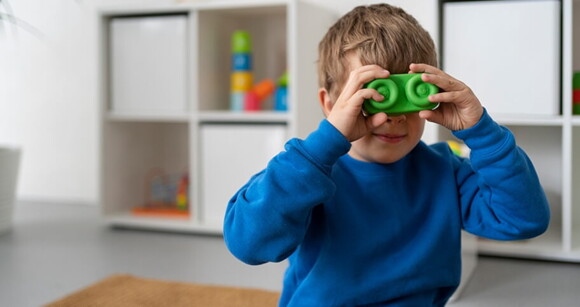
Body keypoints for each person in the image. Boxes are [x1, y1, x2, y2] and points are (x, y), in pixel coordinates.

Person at [223, 3, 550, 306]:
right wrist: (324, 145)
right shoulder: (307, 173)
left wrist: (483, 131)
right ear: (329, 104)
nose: (391, 117)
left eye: (408, 95)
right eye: (374, 97)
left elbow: (524, 220)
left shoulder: (445, 172)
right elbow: (248, 243)